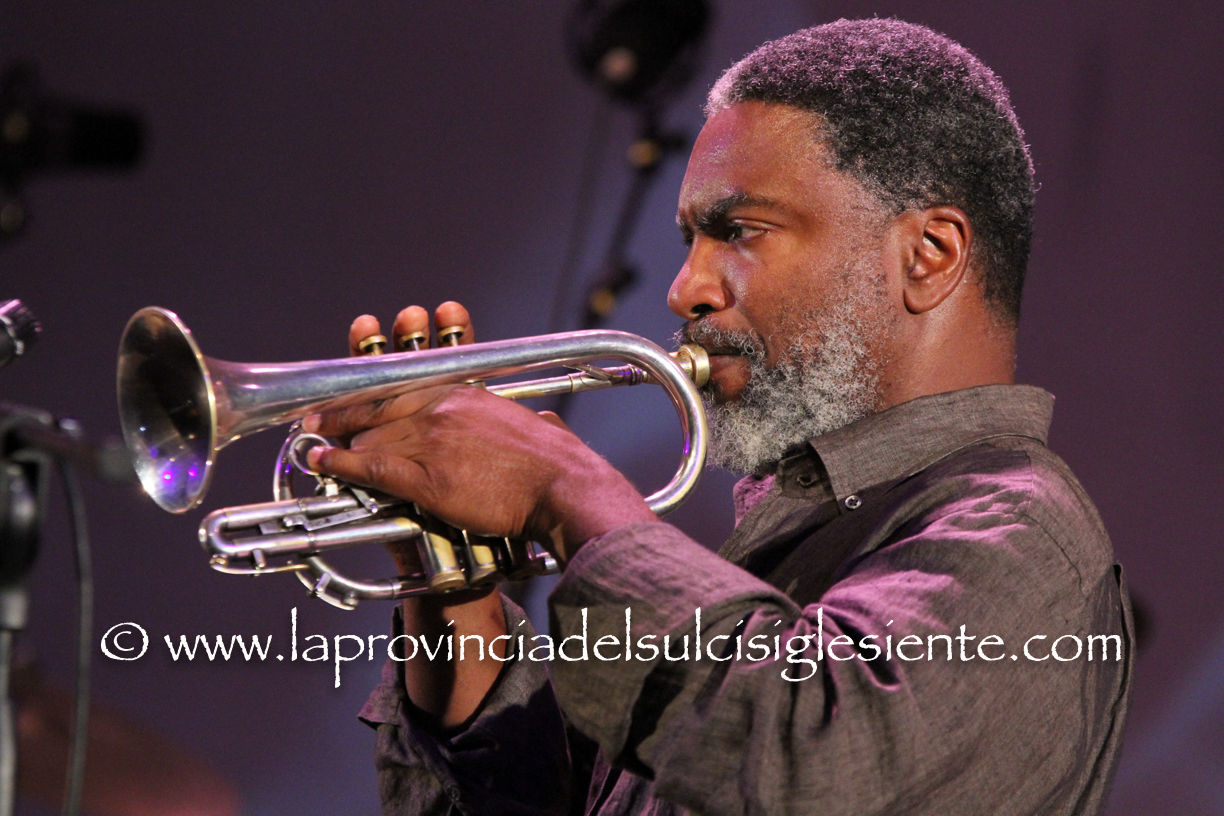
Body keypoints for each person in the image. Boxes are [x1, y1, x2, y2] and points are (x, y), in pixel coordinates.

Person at [303, 18, 1133, 816]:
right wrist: (453, 586)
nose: (684, 290)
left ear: (928, 255)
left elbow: (816, 764)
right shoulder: (791, 551)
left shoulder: (1017, 529)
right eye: (689, 240)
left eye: (739, 230)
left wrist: (564, 488)